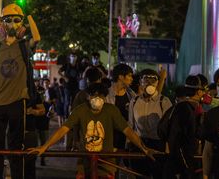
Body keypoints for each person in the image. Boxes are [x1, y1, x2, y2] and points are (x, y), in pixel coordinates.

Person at [28, 83, 156, 178]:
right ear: (88, 97)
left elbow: (128, 130)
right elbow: (63, 129)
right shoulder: (80, 110)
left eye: (100, 95)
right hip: (84, 162)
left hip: (106, 162)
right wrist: (45, 146)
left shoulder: (111, 110)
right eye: (93, 95)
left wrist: (143, 148)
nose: (97, 98)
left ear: (105, 97)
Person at [0, 3, 40, 179]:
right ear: (3, 23)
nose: (12, 24)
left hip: (18, 102)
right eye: (8, 20)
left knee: (16, 146)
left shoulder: (24, 46)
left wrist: (28, 16)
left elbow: (37, 38)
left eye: (16, 20)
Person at [128, 69, 172, 179]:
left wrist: (168, 151)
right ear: (140, 83)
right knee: (140, 175)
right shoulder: (134, 101)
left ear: (158, 83)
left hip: (158, 146)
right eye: (145, 80)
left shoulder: (164, 101)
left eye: (153, 80)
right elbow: (131, 125)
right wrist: (128, 146)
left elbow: (170, 127)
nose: (149, 83)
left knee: (159, 175)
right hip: (140, 144)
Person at [163, 75, 204, 179]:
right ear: (199, 92)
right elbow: (179, 138)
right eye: (203, 91)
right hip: (182, 162)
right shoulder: (186, 109)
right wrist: (185, 166)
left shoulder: (183, 107)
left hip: (181, 159)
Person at [106, 63, 136, 150]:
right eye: (129, 76)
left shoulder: (132, 95)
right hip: (111, 137)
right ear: (121, 77)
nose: (131, 79)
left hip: (127, 137)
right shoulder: (106, 96)